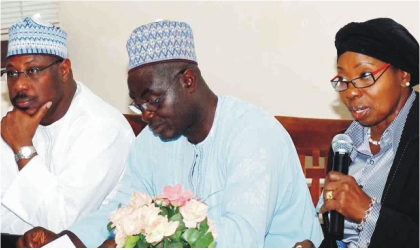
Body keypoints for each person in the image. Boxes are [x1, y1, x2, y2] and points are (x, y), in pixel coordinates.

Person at [16, 20, 323, 248]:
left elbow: (241, 238)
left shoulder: (252, 135)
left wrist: (147, 236)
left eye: (153, 100)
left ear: (188, 81)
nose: (146, 115)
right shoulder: (151, 141)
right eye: (139, 106)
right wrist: (69, 241)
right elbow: (120, 209)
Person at [0, 14, 135, 244]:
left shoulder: (102, 128)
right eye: (11, 73)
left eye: (32, 71)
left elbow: (61, 224)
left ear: (64, 70)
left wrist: (23, 147)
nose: (19, 85)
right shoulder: (12, 121)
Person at [296, 17, 419, 248]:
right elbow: (338, 235)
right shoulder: (344, 144)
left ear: (403, 75)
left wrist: (367, 212)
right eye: (343, 80)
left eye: (364, 76)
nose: (350, 92)